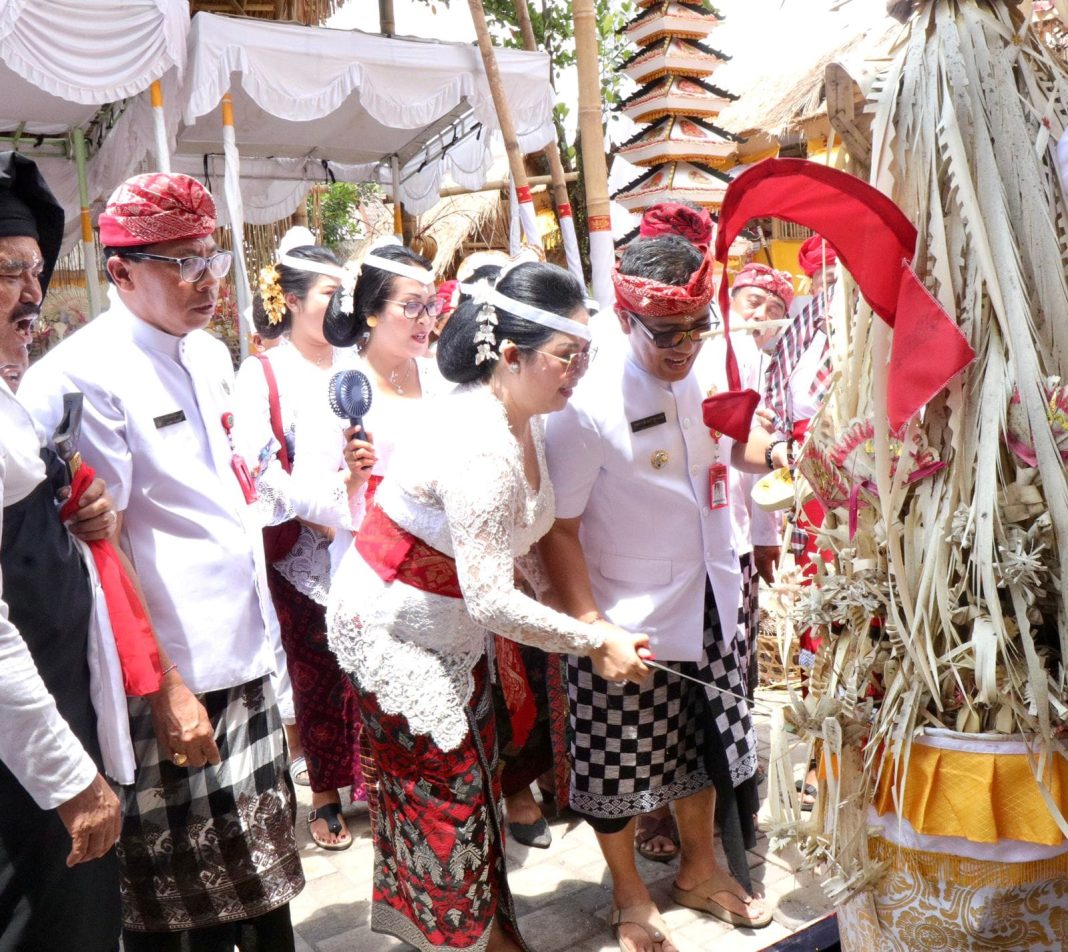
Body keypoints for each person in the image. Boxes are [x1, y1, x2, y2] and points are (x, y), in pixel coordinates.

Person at [327, 260, 650, 952]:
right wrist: (593, 639)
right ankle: (471, 941)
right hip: (392, 631)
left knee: (475, 786)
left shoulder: (526, 418)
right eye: (566, 355)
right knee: (449, 796)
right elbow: (493, 598)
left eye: (585, 354)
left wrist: (587, 620)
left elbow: (521, 549)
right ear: (510, 355)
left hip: (453, 627)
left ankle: (486, 933)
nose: (578, 371)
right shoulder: (480, 446)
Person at [19, 172, 304, 951]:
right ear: (119, 271)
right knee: (183, 914)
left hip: (243, 660)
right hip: (171, 684)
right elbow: (101, 548)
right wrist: (168, 688)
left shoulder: (207, 353)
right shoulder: (83, 376)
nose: (206, 279)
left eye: (212, 257)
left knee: (268, 893)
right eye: (182, 263)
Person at [542, 235, 784, 952]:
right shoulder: (584, 403)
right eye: (666, 333)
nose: (685, 346)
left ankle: (699, 870)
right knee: (617, 760)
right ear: (625, 319)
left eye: (697, 327)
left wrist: (781, 452)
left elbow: (730, 446)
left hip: (712, 590)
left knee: (705, 739)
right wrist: (592, 627)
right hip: (625, 612)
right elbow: (558, 530)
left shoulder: (710, 366)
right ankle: (629, 894)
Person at [0, 150, 124, 951]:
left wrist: (74, 521)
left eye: (36, 273)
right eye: (7, 272)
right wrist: (71, 779)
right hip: (24, 766)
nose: (31, 295)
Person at [233, 237, 369, 851]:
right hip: (305, 549)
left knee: (371, 668)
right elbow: (258, 463)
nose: (341, 306)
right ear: (289, 301)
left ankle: (378, 784)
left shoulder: (359, 362)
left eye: (345, 294)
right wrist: (319, 512)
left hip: (367, 538)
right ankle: (325, 793)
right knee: (316, 674)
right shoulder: (264, 372)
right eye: (328, 294)